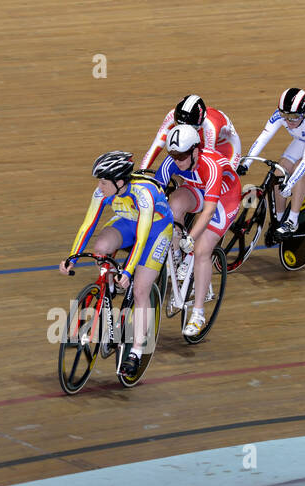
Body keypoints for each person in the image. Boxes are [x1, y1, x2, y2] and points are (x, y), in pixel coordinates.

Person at [60, 151, 174, 376]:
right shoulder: (104, 190)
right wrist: (73, 256)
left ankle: (136, 353)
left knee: (141, 289)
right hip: (129, 220)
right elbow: (88, 225)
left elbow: (142, 239)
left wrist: (129, 271)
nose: (99, 186)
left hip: (156, 230)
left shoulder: (144, 195)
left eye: (103, 182)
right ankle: (108, 290)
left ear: (119, 182)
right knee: (101, 249)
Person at [154, 124, 241, 337]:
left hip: (224, 199)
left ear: (195, 151)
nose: (177, 161)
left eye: (182, 155)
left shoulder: (210, 164)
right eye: (172, 154)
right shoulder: (173, 161)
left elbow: (210, 211)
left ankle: (199, 313)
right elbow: (155, 195)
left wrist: (190, 239)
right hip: (198, 189)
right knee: (173, 206)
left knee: (201, 250)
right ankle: (176, 258)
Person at [239, 87, 305, 234]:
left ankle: (292, 221)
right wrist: (246, 164)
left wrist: (290, 184)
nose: (288, 121)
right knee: (279, 171)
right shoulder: (281, 115)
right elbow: (263, 138)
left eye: (294, 117)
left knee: (299, 170)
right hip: (303, 139)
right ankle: (280, 220)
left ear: (304, 113)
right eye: (285, 116)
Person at [139, 94, 242, 172]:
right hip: (197, 144)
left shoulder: (210, 125)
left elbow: (209, 161)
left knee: (211, 181)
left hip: (226, 150)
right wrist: (141, 173)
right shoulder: (171, 116)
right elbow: (155, 147)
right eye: (178, 126)